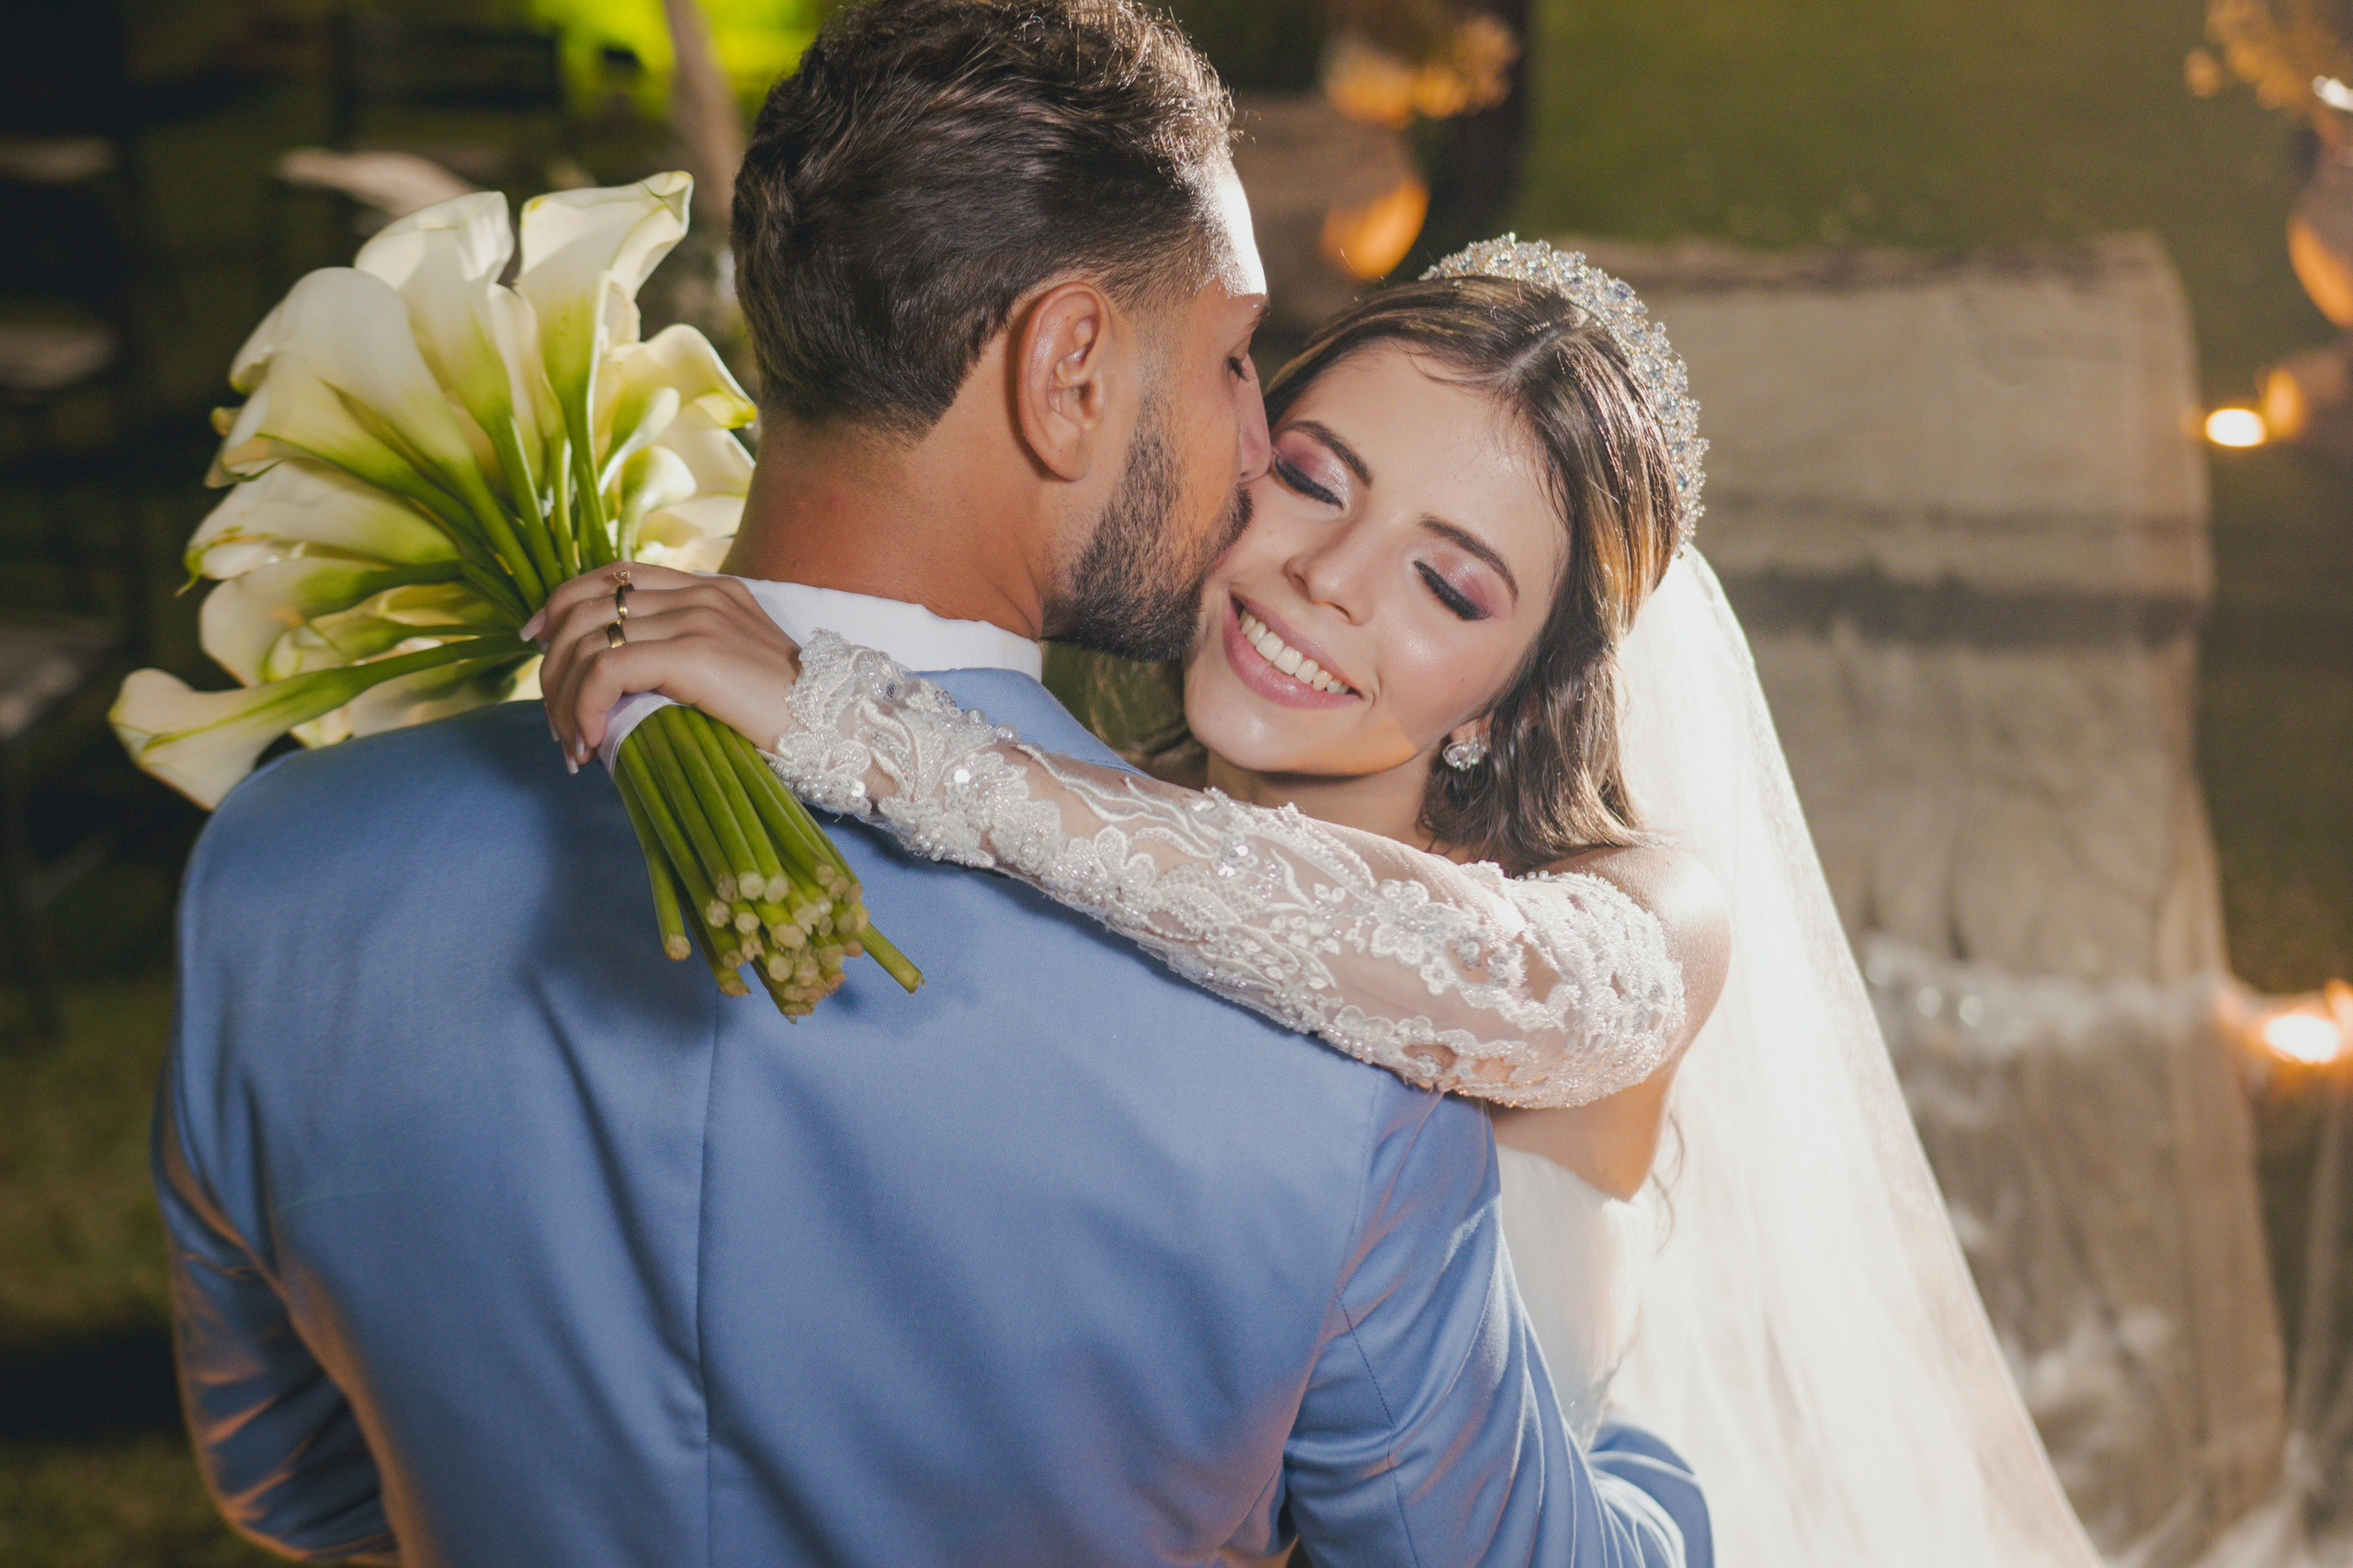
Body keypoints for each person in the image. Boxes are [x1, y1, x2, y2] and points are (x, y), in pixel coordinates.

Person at [153, 2, 1705, 1563]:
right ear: (1068, 370)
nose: (1253, 450)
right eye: (1239, 364)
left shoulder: (284, 870)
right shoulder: (1341, 1073)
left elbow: (296, 1484)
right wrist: (1650, 1456)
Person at [540, 240, 2111, 1564]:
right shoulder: (1080, 818)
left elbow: (1425, 958)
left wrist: (859, 721)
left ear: (1510, 695)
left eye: (1451, 585)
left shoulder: (1635, 907)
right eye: (1311, 480)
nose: (1329, 578)